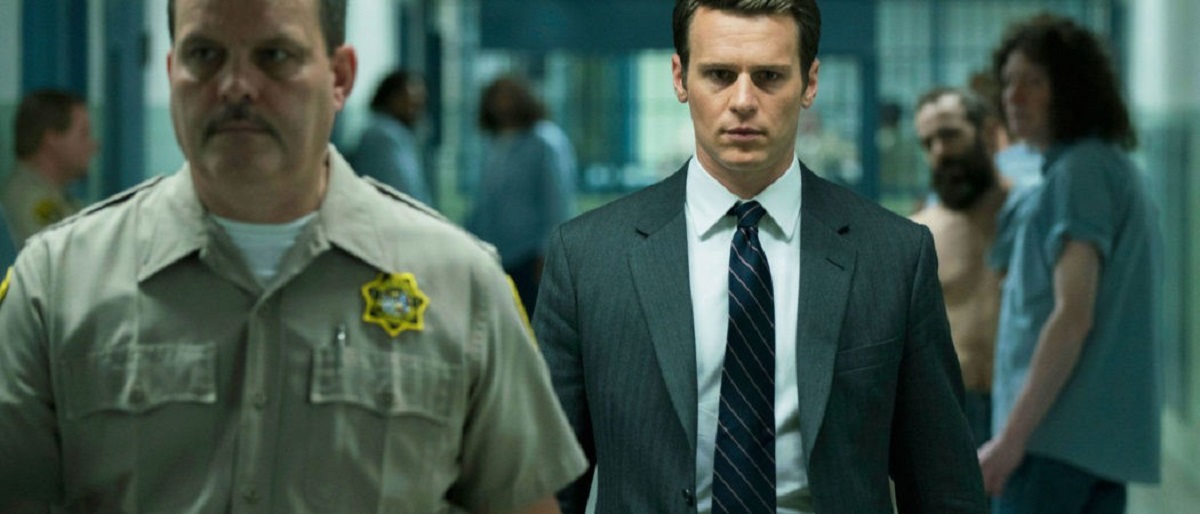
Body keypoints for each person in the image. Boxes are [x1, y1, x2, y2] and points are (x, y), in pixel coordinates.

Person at [0, 0, 587, 512]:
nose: (235, 86)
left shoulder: (461, 284)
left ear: (340, 77)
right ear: (172, 70)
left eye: (275, 55)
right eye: (204, 55)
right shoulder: (55, 284)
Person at [534, 1, 985, 512]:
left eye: (769, 76)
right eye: (720, 75)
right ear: (680, 78)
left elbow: (945, 485)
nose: (743, 101)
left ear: (810, 83)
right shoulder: (588, 259)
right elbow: (544, 487)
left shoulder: (894, 256)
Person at [980, 14, 1162, 513]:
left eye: (1034, 82)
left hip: (1048, 447)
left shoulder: (1078, 173)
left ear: (1071, 90)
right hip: (1093, 448)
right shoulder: (1112, 169)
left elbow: (1072, 315)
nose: (1014, 97)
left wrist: (1010, 440)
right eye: (1009, 82)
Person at [909, 87, 1011, 447]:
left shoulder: (1031, 217)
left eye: (950, 134)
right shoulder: (920, 235)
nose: (939, 151)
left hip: (1026, 406)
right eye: (928, 143)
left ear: (989, 133)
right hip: (949, 413)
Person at [466, 75, 577, 315]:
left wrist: (549, 253)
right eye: (496, 97)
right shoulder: (491, 143)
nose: (502, 104)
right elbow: (483, 202)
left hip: (529, 255)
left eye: (508, 96)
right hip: (493, 254)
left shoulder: (544, 141)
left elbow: (556, 201)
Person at [2, 89, 98, 245]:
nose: (93, 145)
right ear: (52, 139)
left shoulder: (54, 195)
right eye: (83, 134)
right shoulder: (31, 200)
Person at [350, 69, 435, 205]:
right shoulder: (384, 137)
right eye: (411, 100)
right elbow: (404, 192)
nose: (416, 109)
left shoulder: (396, 135)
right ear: (391, 97)